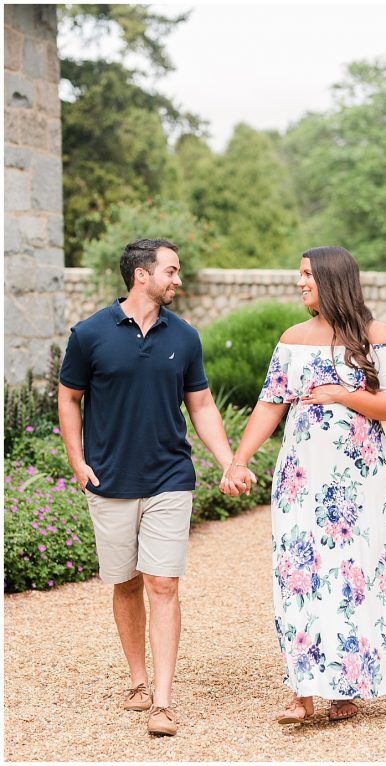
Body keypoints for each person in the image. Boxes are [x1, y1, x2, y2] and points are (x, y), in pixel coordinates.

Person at [57, 238, 249, 737]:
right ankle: (138, 681)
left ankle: (163, 700)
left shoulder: (184, 337)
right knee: (126, 583)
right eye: (172, 270)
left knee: (163, 583)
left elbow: (202, 406)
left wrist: (229, 461)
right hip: (110, 480)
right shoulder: (90, 333)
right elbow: (69, 397)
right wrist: (77, 461)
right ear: (142, 275)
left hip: (170, 477)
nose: (178, 280)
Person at [221, 245, 386, 724]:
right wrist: (239, 460)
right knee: (300, 572)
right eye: (300, 274)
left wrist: (343, 395)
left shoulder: (376, 336)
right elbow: (270, 403)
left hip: (359, 479)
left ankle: (346, 686)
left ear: (332, 279)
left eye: (308, 274)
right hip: (301, 475)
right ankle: (302, 691)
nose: (300, 281)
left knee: (355, 573)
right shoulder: (292, 339)